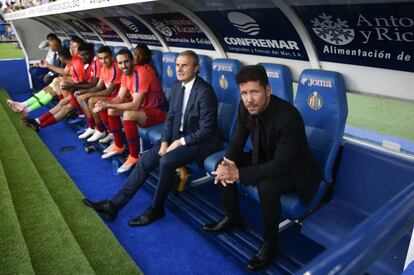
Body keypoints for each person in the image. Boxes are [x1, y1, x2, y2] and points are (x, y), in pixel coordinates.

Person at [203, 65, 322, 271]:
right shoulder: (245, 108)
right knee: (222, 163)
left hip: (295, 171)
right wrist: (227, 163)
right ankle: (233, 217)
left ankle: (270, 244)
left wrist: (238, 173)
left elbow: (280, 165)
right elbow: (237, 141)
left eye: (254, 92)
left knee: (267, 186)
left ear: (267, 90)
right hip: (264, 158)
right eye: (244, 93)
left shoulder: (289, 117)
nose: (249, 99)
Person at [83, 50, 220, 226]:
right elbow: (170, 118)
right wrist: (164, 141)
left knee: (166, 161)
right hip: (176, 138)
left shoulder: (205, 92)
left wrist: (179, 142)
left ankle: (156, 209)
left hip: (199, 142)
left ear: (196, 68)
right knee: (146, 159)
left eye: (184, 65)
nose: (179, 69)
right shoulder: (177, 86)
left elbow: (207, 130)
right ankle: (114, 205)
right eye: (177, 65)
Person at [94, 46, 168, 173]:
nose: (124, 65)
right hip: (144, 109)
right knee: (112, 110)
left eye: (126, 62)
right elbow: (120, 97)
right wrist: (106, 103)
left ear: (132, 61)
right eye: (120, 63)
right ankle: (119, 146)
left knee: (128, 114)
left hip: (159, 111)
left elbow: (134, 105)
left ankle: (134, 156)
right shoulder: (125, 75)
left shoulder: (142, 73)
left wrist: (109, 105)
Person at [23, 43, 97, 131]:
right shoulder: (75, 61)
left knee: (66, 107)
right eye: (81, 54)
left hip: (83, 93)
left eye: (74, 47)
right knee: (62, 102)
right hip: (78, 92)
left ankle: (40, 125)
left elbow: (85, 83)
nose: (82, 57)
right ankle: (37, 121)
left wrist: (72, 85)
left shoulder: (78, 64)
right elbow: (75, 79)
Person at [75, 45, 121, 143]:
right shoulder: (103, 68)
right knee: (83, 97)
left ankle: (103, 130)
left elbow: (108, 91)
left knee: (91, 100)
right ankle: (94, 127)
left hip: (118, 97)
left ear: (111, 57)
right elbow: (99, 86)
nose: (103, 61)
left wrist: (88, 95)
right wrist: (83, 93)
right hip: (109, 96)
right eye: (100, 58)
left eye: (106, 58)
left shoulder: (116, 68)